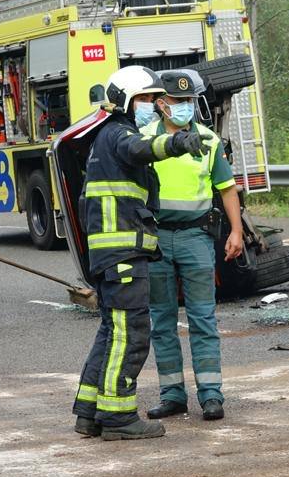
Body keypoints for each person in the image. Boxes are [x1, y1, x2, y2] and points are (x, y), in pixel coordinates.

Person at [72, 65, 205, 441]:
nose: (152, 104)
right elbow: (142, 148)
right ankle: (118, 417)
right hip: (123, 253)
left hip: (112, 255)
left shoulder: (103, 138)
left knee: (111, 333)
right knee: (131, 334)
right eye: (146, 98)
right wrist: (177, 143)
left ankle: (89, 411)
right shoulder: (120, 135)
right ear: (126, 102)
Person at [142, 70, 244, 422]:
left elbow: (227, 187)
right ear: (161, 104)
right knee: (161, 321)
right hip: (155, 239)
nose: (185, 106)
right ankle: (172, 395)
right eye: (177, 101)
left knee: (203, 319)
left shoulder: (208, 139)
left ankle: (211, 396)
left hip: (196, 237)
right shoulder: (143, 140)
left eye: (189, 101)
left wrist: (236, 231)